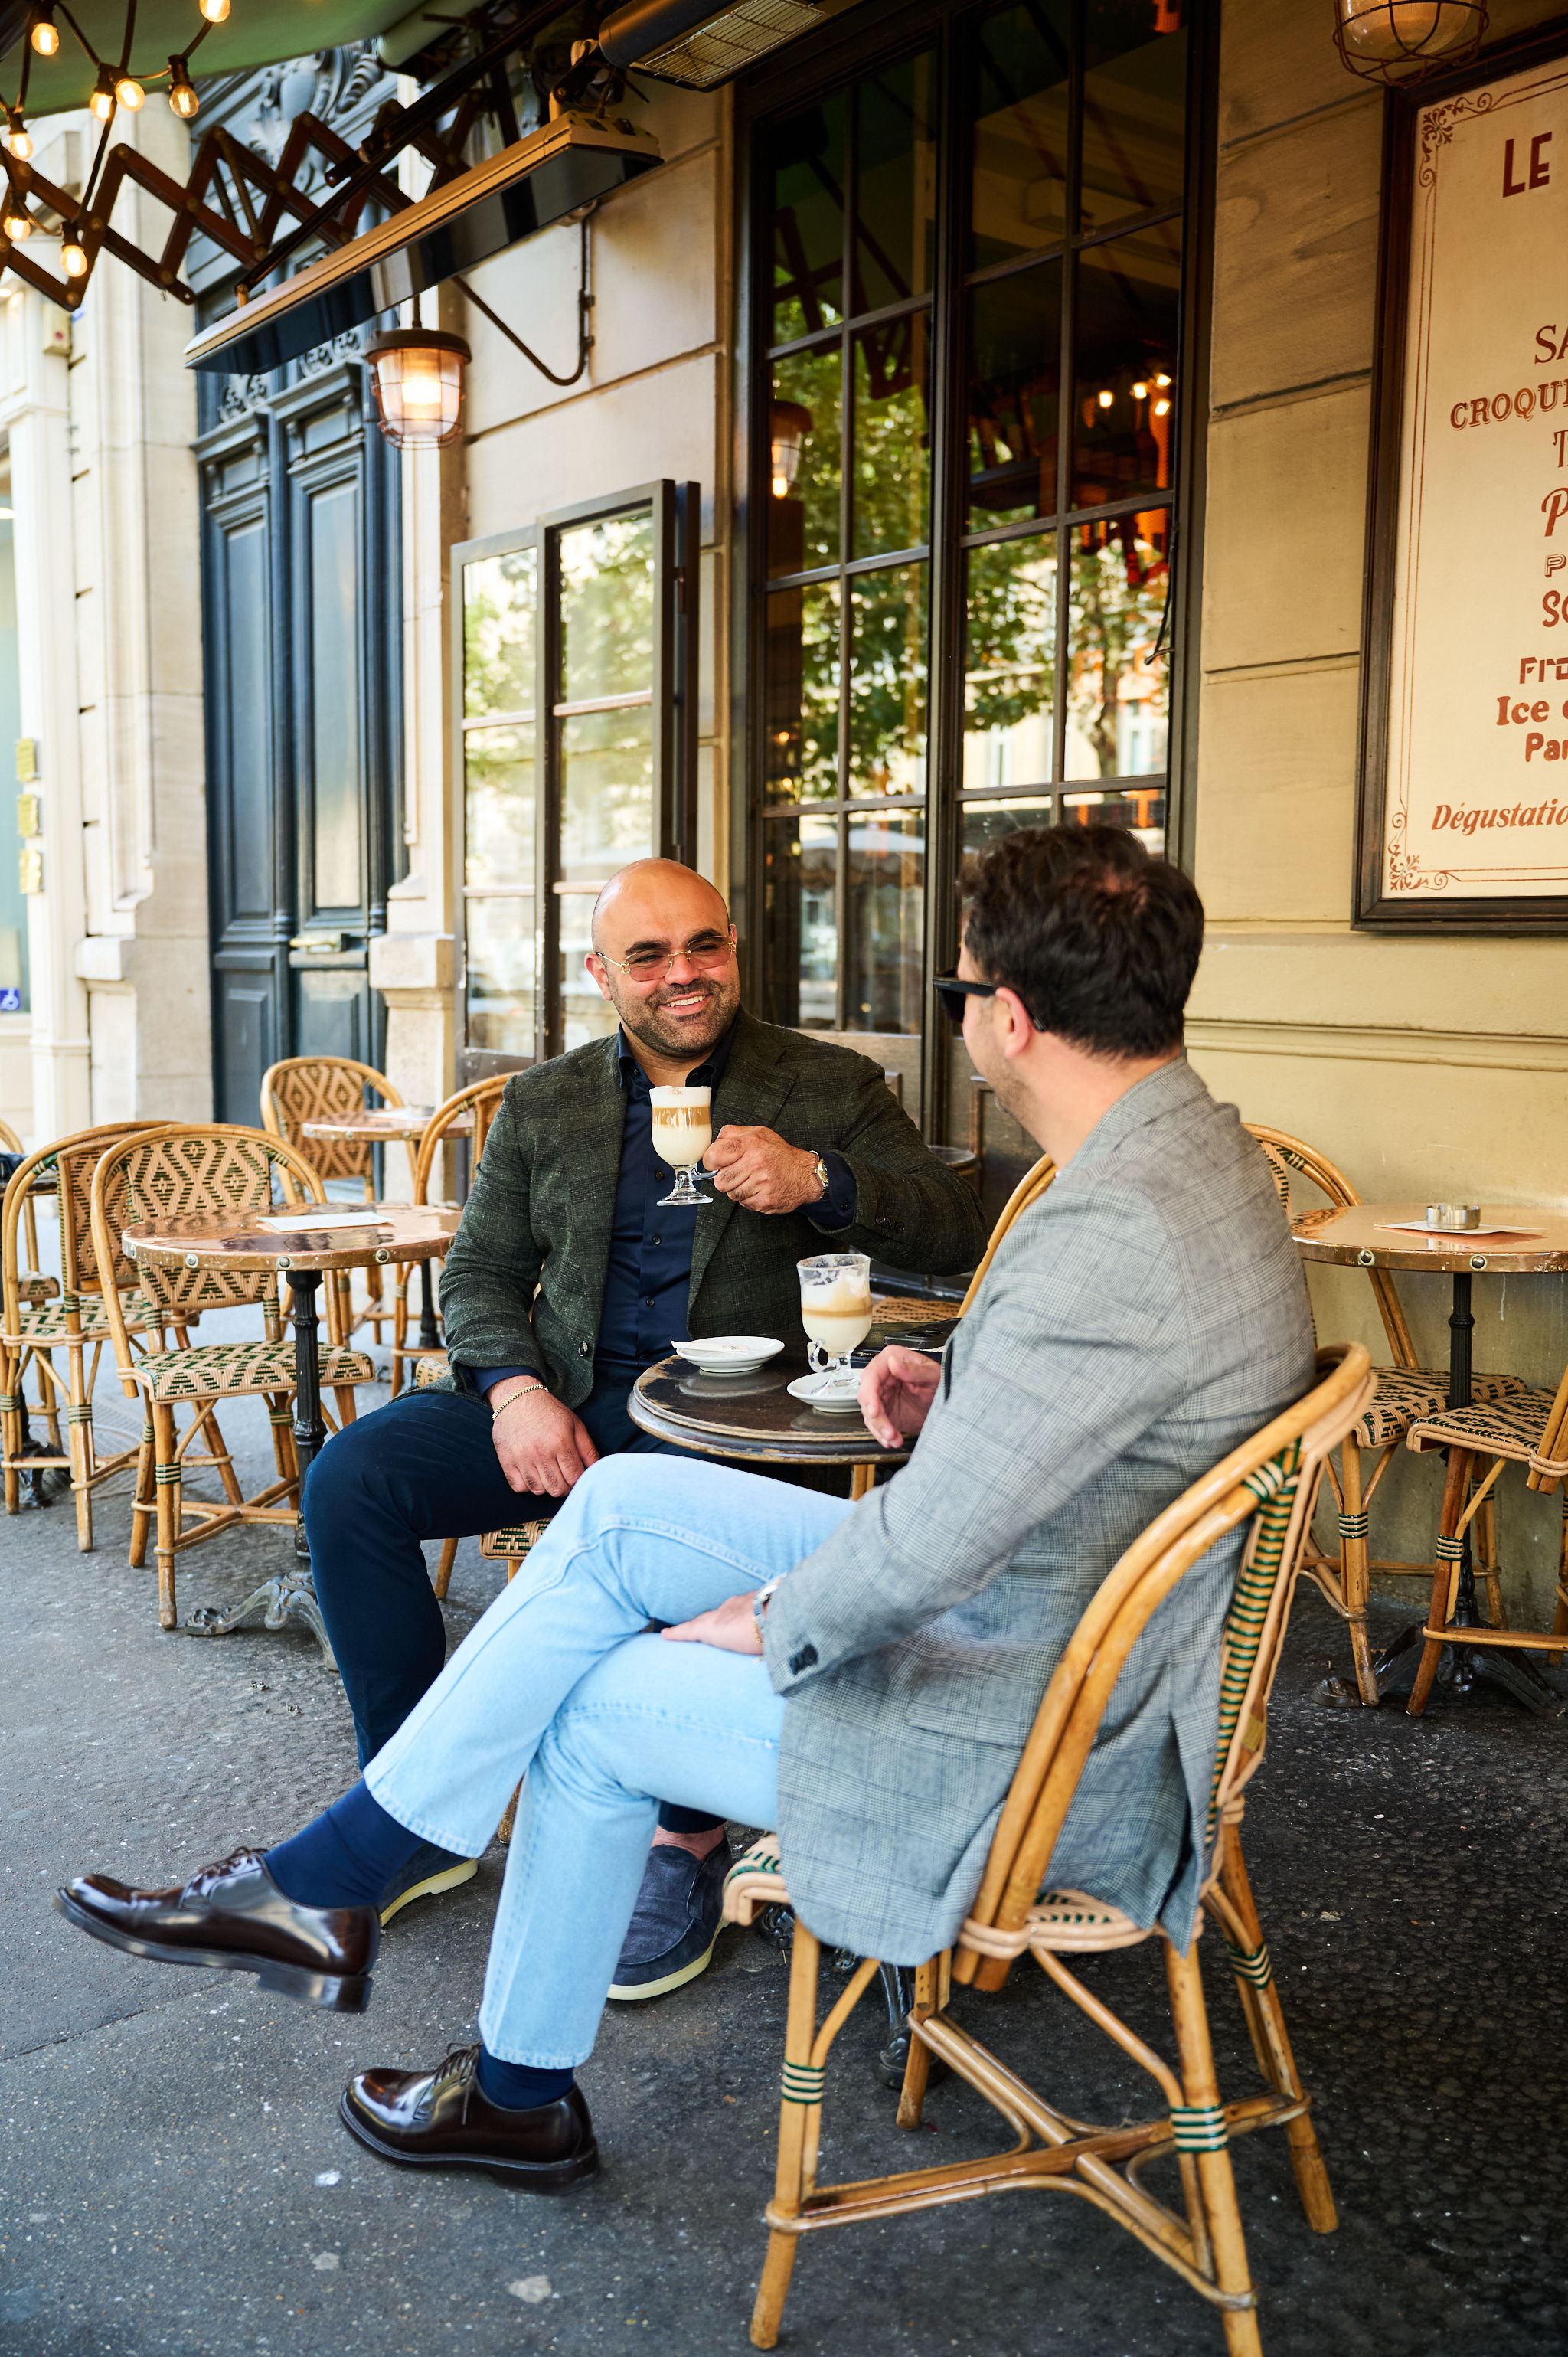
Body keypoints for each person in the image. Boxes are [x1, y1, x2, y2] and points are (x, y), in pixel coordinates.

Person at [57, 822, 1316, 2195]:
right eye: (647, 953)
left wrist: (768, 1615)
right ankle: (346, 1871)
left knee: (601, 1698)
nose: (682, 972)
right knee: (620, 1511)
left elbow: (940, 1535)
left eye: (957, 988)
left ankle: (501, 2070)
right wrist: (951, 1374)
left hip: (1037, 1715)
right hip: (1030, 1610)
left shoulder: (1094, 1217)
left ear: (1007, 1018)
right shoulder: (1192, 1161)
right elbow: (1080, 1406)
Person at [302, 857, 987, 1992]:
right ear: (600, 974)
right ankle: (416, 1801)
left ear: (733, 949)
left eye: (704, 947)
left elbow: (949, 1228)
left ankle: (690, 1838)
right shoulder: (548, 1099)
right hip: (567, 1397)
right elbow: (476, 1272)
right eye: (651, 956)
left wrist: (819, 1175)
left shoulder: (827, 1081)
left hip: (732, 1419)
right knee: (352, 1478)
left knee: (666, 1510)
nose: (684, 975)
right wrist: (514, 1389)